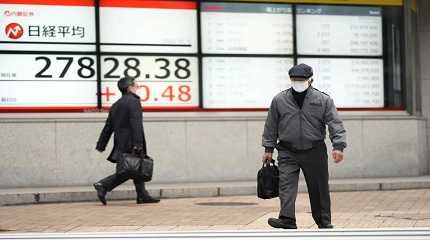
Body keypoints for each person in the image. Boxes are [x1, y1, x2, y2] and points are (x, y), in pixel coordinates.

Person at [262, 63, 346, 229]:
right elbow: (271, 125)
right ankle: (287, 218)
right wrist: (268, 149)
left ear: (310, 80)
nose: (297, 82)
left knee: (318, 187)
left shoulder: (323, 100)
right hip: (287, 150)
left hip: (314, 150)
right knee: (286, 185)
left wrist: (339, 145)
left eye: (301, 80)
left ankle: (323, 220)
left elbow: (335, 123)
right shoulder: (279, 100)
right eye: (294, 79)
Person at [93, 77, 160, 205]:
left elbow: (108, 127)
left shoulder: (116, 105)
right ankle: (103, 185)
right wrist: (138, 144)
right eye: (136, 86)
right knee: (129, 169)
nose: (138, 88)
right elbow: (136, 124)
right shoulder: (133, 102)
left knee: (136, 167)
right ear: (130, 87)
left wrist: (101, 144)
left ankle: (142, 195)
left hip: (120, 143)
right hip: (132, 143)